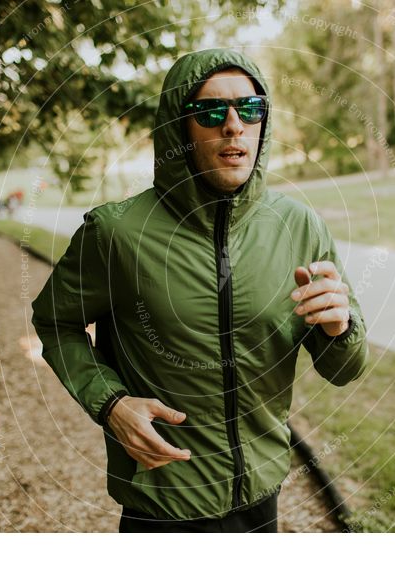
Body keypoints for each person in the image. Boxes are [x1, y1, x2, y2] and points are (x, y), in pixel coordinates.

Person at [31, 48, 369, 533]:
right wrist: (110, 404)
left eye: (249, 109)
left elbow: (344, 370)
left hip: (260, 498)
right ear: (179, 127)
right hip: (162, 502)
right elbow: (55, 321)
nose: (233, 125)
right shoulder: (116, 233)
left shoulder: (299, 226)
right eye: (211, 112)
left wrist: (341, 329)